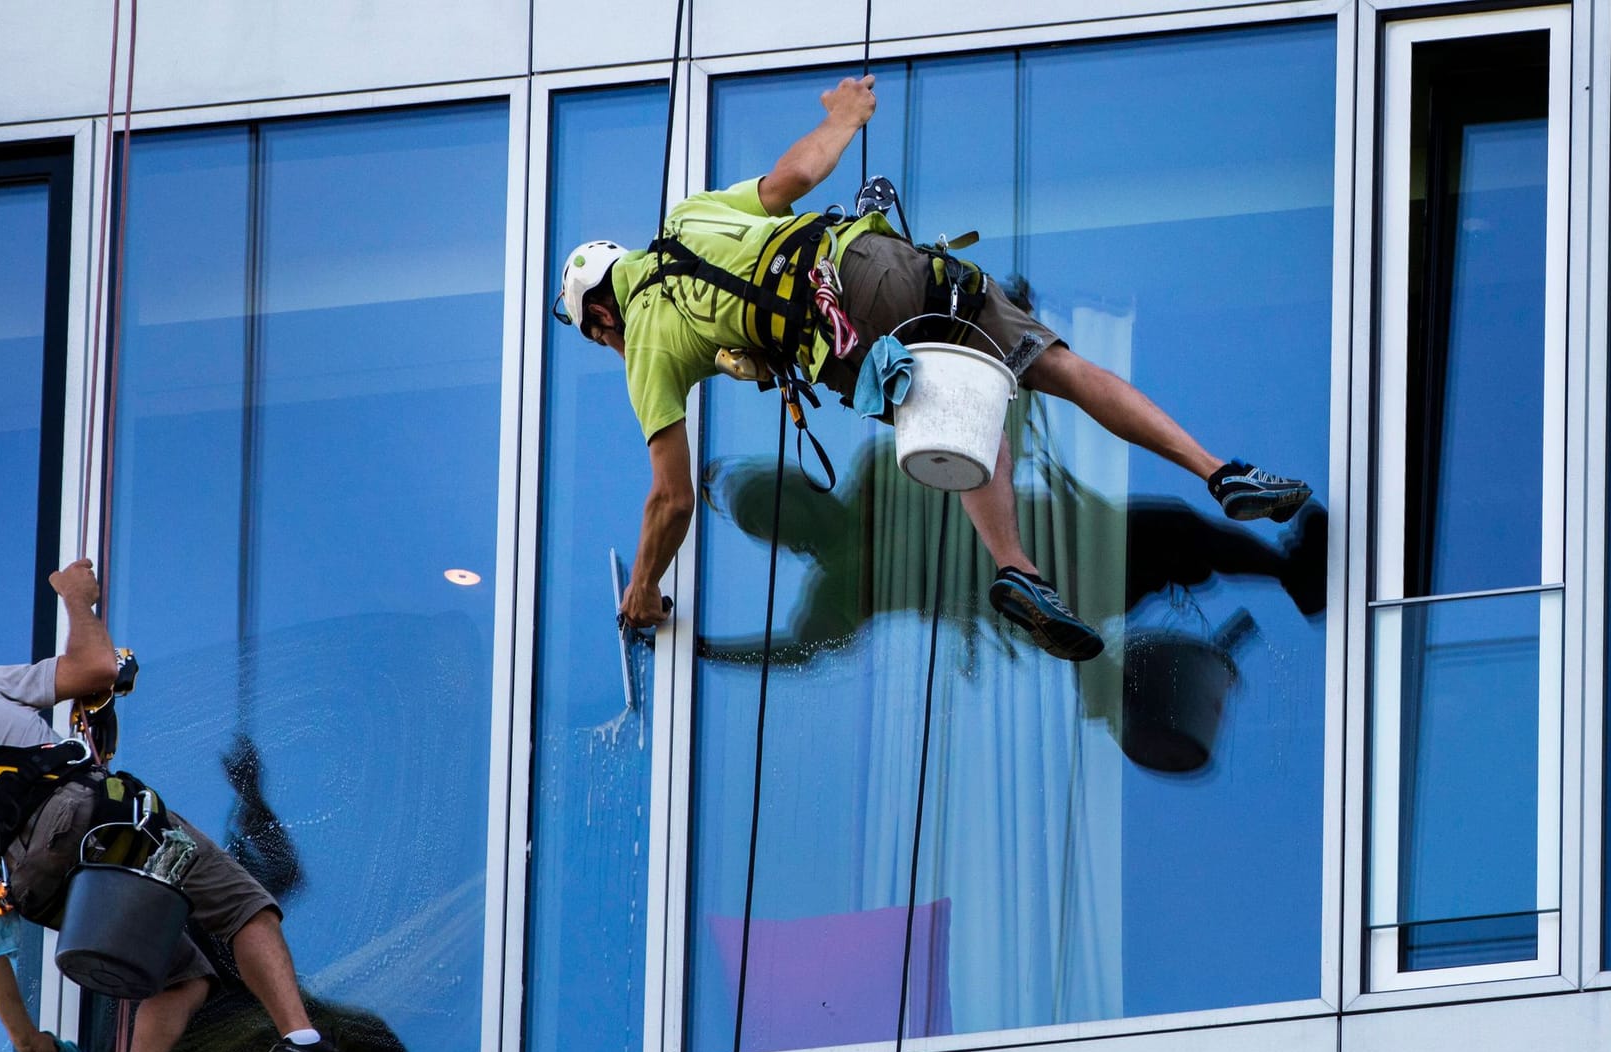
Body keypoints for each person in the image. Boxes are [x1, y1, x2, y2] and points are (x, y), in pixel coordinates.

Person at [559, 74, 1313, 661]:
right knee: (1055, 370)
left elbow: (671, 500)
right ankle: (1219, 471)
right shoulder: (691, 217)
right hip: (886, 260)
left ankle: (1016, 568)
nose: (609, 348)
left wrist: (645, 589)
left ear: (601, 312)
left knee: (967, 424)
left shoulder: (648, 341)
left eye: (599, 338)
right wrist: (846, 117)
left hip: (857, 340)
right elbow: (793, 177)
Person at [0, 558, 400, 1052]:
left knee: (177, 977)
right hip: (100, 824)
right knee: (245, 906)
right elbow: (97, 667)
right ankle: (303, 1043)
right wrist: (78, 602)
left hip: (49, 889)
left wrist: (28, 1040)